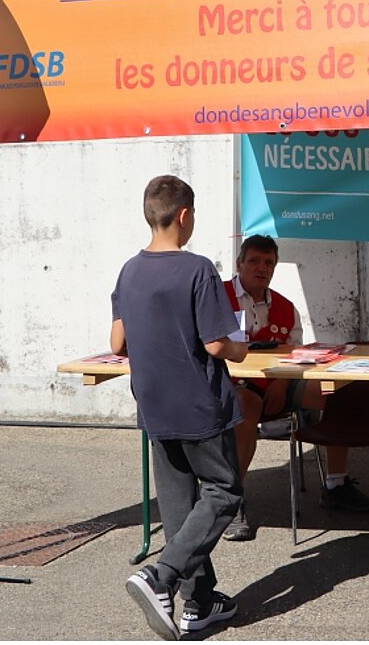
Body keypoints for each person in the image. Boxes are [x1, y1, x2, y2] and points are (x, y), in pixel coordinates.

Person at [111, 175, 246, 639]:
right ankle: (160, 575)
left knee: (177, 505)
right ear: (184, 216)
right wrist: (240, 350)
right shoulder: (197, 268)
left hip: (153, 402)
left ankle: (199, 602)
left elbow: (117, 340)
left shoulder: (129, 270)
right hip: (197, 403)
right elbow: (214, 343)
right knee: (224, 490)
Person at [224, 234, 369, 542]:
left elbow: (295, 353)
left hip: (277, 380)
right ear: (240, 263)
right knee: (245, 406)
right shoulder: (217, 296)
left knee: (334, 393)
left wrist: (281, 382)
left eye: (268, 262)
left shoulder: (285, 307)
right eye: (253, 261)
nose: (261, 268)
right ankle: (231, 501)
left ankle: (336, 484)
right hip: (232, 384)